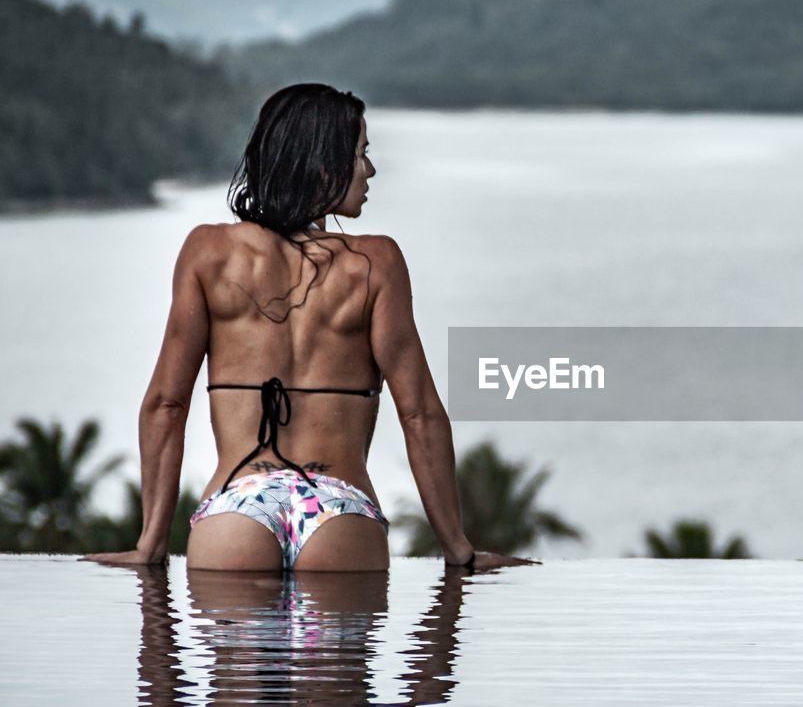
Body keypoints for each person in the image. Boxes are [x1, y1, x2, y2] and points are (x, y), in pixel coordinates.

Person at [83, 83, 536, 573]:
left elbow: (166, 405)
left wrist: (150, 546)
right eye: (361, 154)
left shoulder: (207, 252)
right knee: (338, 654)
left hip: (237, 509)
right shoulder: (375, 262)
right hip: (339, 514)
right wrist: (458, 550)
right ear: (324, 165)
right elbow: (420, 415)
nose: (370, 169)